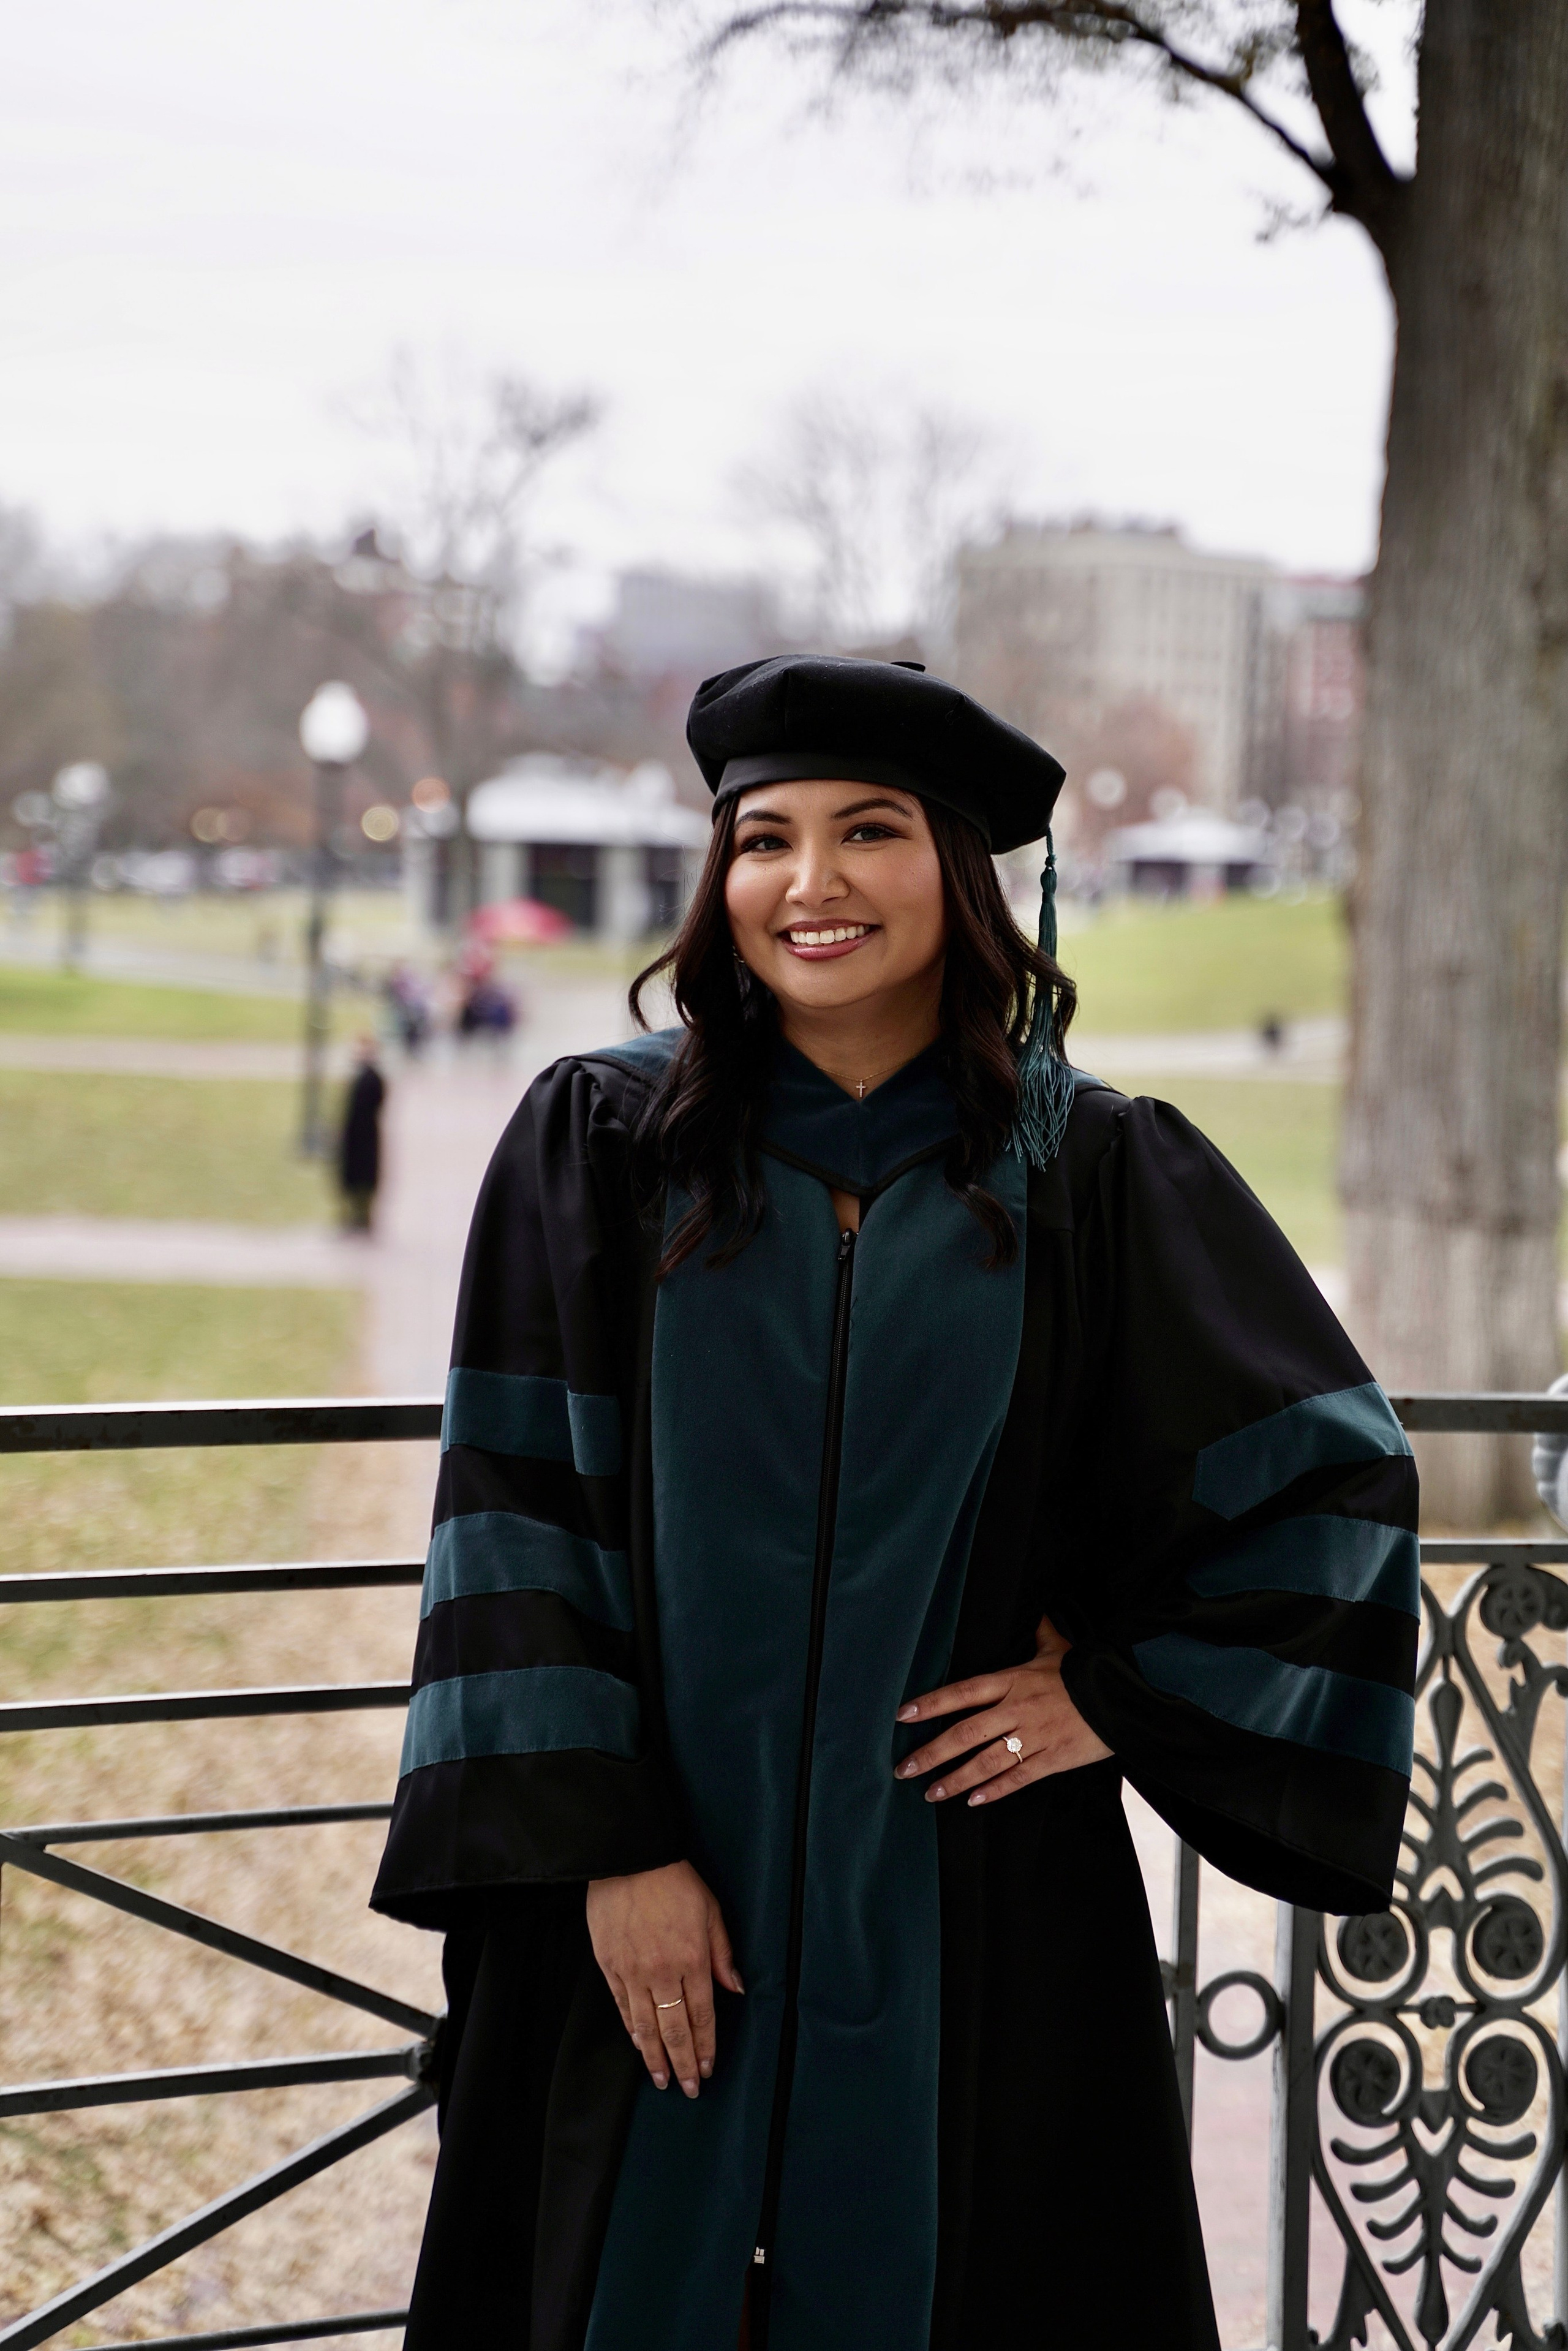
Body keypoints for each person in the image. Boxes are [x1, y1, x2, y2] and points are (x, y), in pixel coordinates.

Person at [371, 655, 1419, 2350]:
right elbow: (514, 1510)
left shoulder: (1097, 1173)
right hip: (651, 1886)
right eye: (765, 837)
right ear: (719, 876)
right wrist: (610, 1841)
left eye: (870, 831)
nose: (812, 882)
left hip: (979, 1905)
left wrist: (1114, 1688)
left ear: (962, 870)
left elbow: (1332, 1480)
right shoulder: (602, 1144)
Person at [336, 1034, 385, 1232]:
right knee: (354, 1180)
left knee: (361, 1180)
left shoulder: (372, 1079)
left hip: (363, 1139)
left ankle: (361, 1219)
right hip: (357, 1139)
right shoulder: (363, 1077)